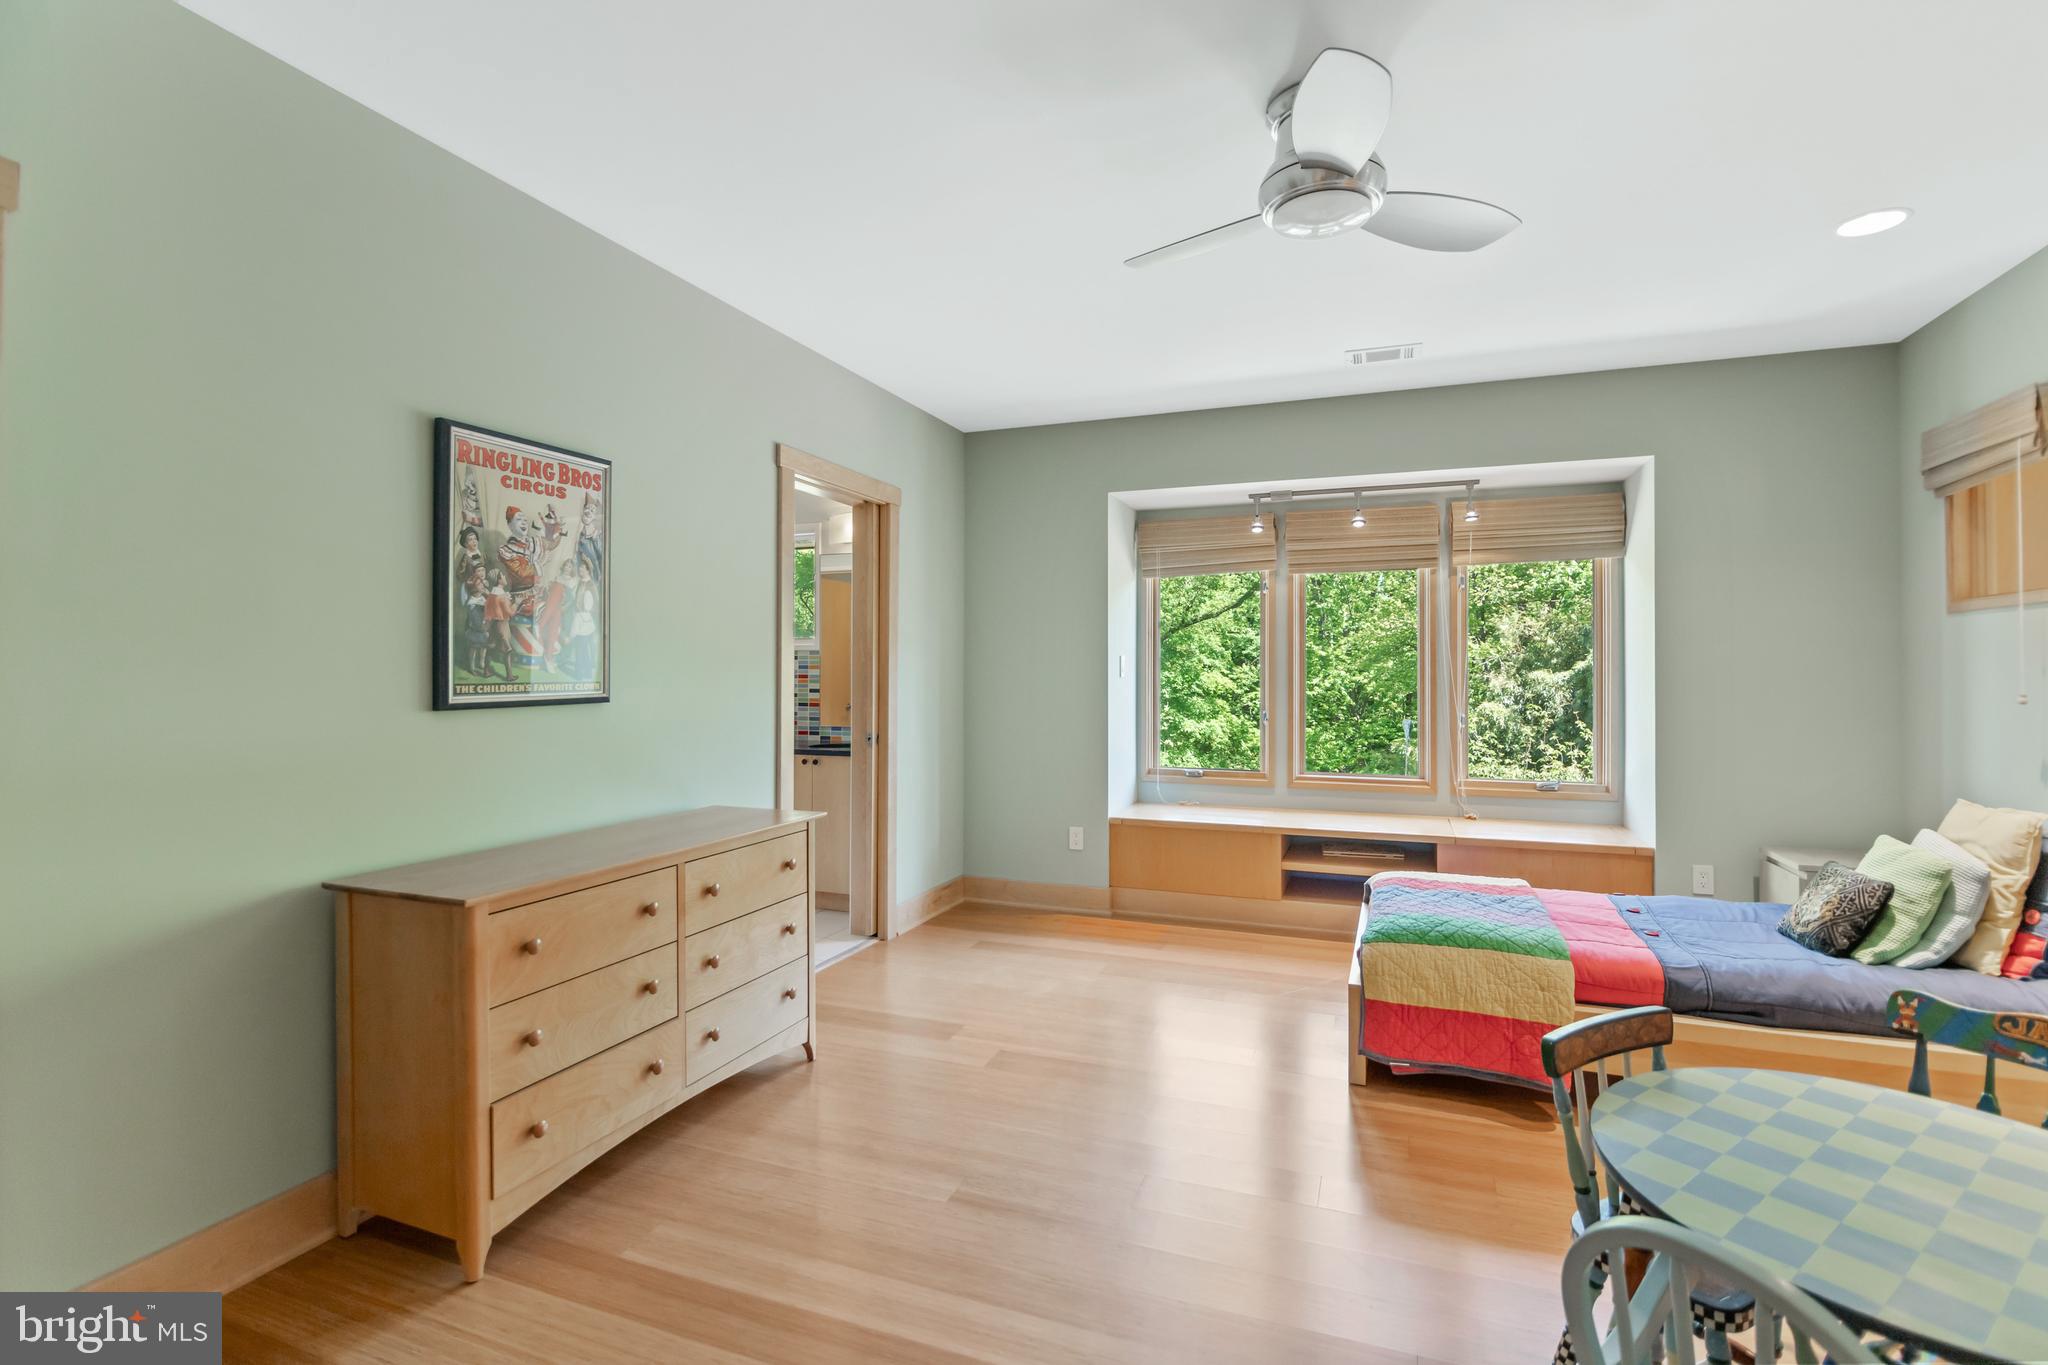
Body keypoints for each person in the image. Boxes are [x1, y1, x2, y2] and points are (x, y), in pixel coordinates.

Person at [567, 554, 600, 683]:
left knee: (580, 649)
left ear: (587, 570)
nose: (579, 571)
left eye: (582, 569)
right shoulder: (581, 582)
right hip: (581, 618)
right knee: (583, 649)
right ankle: (586, 672)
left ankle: (579, 674)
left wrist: (584, 615)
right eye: (579, 569)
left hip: (584, 621)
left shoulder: (590, 585)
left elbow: (593, 604)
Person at [459, 565, 489, 678]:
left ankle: (481, 663)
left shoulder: (483, 598)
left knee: (484, 647)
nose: (482, 585)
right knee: (474, 648)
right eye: (479, 584)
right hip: (476, 630)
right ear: (473, 589)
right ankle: (471, 666)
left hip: (484, 629)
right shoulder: (472, 603)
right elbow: (476, 619)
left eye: (482, 583)